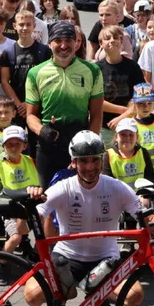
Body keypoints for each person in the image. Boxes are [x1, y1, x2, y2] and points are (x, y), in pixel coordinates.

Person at [23, 131, 144, 306]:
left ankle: (99, 298)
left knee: (134, 296)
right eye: (83, 161)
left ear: (102, 159)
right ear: (74, 162)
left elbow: (147, 218)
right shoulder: (63, 187)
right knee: (32, 295)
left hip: (106, 258)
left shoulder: (117, 187)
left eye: (95, 160)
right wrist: (30, 202)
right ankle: (60, 300)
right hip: (67, 258)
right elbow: (30, 221)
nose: (90, 167)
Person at [25, 20, 104, 186]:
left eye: (68, 40)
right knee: (47, 195)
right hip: (48, 142)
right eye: (58, 40)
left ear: (76, 43)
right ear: (49, 44)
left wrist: (88, 146)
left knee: (82, 193)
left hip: (80, 139)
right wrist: (42, 130)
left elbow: (97, 114)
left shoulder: (92, 71)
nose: (63, 45)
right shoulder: (35, 73)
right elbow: (30, 116)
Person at [0, 125, 43, 286]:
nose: (13, 147)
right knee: (15, 237)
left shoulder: (30, 161)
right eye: (9, 144)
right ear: (3, 146)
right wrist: (20, 210)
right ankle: (1, 264)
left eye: (17, 144)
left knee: (49, 228)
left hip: (32, 206)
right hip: (11, 209)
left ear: (24, 145)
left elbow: (39, 184)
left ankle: (33, 256)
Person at [0, 9, 51, 126]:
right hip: (17, 107)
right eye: (21, 24)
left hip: (38, 105)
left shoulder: (44, 51)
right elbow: (4, 82)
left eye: (28, 24)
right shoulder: (8, 52)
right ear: (14, 26)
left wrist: (30, 104)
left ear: (34, 26)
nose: (25, 28)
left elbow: (48, 79)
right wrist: (19, 104)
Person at [96, 26, 142, 131]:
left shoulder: (133, 67)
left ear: (121, 41)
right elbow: (96, 101)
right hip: (105, 126)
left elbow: (141, 95)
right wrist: (124, 111)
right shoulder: (96, 69)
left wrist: (125, 116)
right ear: (101, 43)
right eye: (107, 38)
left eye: (115, 37)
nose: (112, 40)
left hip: (131, 123)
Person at [102, 119, 154, 194]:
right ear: (116, 136)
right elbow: (107, 185)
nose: (127, 138)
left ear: (137, 137)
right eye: (123, 134)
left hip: (141, 197)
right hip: (118, 198)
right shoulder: (108, 155)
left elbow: (150, 179)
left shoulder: (143, 153)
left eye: (131, 135)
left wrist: (145, 196)